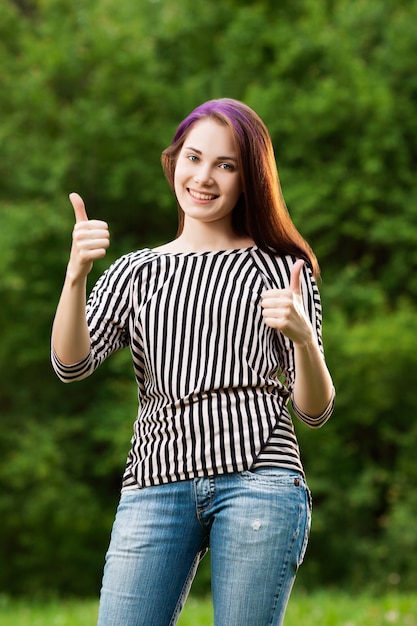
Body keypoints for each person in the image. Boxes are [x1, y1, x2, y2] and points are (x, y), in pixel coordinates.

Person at [51, 98, 335, 626]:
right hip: (155, 482)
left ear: (249, 179)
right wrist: (75, 278)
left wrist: (303, 340)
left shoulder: (284, 270)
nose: (204, 177)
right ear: (174, 161)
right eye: (193, 158)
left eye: (226, 166)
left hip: (261, 482)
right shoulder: (135, 271)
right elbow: (71, 364)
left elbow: (314, 411)